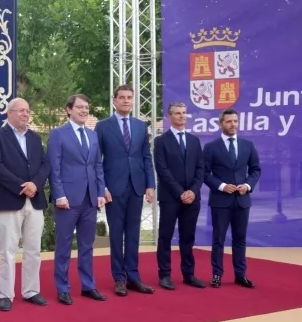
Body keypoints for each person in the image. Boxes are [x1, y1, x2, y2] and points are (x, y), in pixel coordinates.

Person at [0, 98, 50, 311]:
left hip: (35, 200)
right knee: (8, 250)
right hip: (10, 200)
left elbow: (45, 165)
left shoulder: (35, 137)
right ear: (10, 113)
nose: (25, 114)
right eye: (21, 110)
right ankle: (6, 294)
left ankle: (31, 291)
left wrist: (35, 184)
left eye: (27, 111)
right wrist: (22, 186)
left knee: (33, 249)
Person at [95, 84, 156, 296]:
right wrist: (102, 187)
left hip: (137, 186)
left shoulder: (140, 126)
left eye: (129, 97)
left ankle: (133, 277)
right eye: (122, 97)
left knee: (133, 234)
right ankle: (119, 278)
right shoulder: (103, 126)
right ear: (114, 100)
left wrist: (150, 184)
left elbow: (146, 157)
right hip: (114, 188)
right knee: (116, 235)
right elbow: (96, 160)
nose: (126, 101)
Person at [47, 94, 107, 305]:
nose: (84, 111)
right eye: (80, 107)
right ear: (69, 109)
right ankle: (62, 288)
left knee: (87, 246)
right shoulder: (58, 134)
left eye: (86, 108)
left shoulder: (92, 135)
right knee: (64, 246)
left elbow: (97, 166)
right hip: (67, 200)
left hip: (90, 199)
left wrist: (100, 192)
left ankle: (88, 285)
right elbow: (54, 168)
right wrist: (59, 194)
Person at [203, 108, 261, 288]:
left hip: (242, 200)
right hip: (220, 201)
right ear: (220, 124)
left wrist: (248, 186)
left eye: (235, 121)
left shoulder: (248, 145)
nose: (233, 124)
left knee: (240, 239)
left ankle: (240, 275)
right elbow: (204, 173)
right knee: (218, 239)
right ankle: (217, 274)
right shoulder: (211, 147)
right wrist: (222, 186)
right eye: (228, 121)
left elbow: (255, 170)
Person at [153, 102, 206, 290]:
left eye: (184, 113)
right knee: (165, 237)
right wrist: (180, 192)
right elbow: (162, 170)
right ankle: (165, 275)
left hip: (192, 198)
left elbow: (200, 168)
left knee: (188, 237)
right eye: (177, 113)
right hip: (170, 197)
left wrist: (193, 191)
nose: (182, 116)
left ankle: (188, 274)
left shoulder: (194, 141)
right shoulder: (161, 141)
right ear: (169, 116)